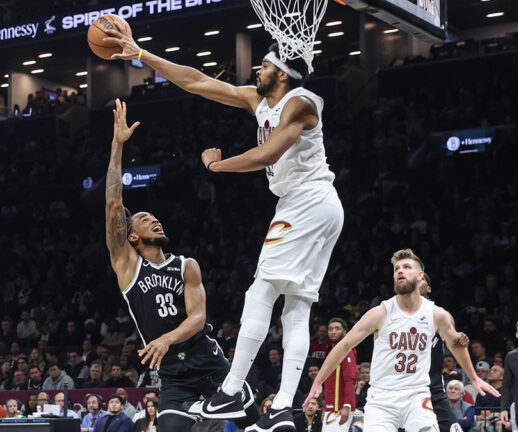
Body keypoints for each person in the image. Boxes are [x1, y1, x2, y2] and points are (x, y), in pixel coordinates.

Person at [105, 28, 344, 432]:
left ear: (283, 73)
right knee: (296, 308)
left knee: (261, 291)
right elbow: (197, 81)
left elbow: (267, 153)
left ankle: (232, 389)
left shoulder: (300, 103)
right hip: (316, 205)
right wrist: (142, 53)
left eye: (265, 65)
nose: (258, 69)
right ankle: (284, 405)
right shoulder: (258, 99)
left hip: (306, 200)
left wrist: (217, 166)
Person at [103, 100, 256, 431]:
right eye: (145, 219)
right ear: (130, 237)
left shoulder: (187, 265)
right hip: (173, 373)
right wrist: (118, 145)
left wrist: (166, 339)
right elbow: (114, 205)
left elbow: (198, 318)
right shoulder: (127, 268)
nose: (154, 220)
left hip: (209, 361)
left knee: (254, 423)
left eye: (155, 217)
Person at [304, 249, 498, 432]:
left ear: (421, 275)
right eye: (397, 269)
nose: (400, 271)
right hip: (381, 398)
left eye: (406, 267)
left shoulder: (437, 315)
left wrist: (473, 377)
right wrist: (318, 382)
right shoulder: (380, 313)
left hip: (417, 395)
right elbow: (345, 345)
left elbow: (455, 344)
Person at [420, 273, 469, 432]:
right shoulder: (394, 312)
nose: (416, 280)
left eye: (422, 279)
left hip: (434, 387)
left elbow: (454, 341)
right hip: (405, 388)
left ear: (429, 288)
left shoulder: (441, 314)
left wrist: (461, 339)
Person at [321, 318, 356, 432]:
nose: (333, 332)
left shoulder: (347, 351)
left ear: (345, 332)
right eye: (330, 329)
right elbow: (329, 385)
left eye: (337, 328)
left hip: (340, 408)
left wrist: (347, 406)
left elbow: (350, 380)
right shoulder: (329, 352)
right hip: (330, 407)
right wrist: (325, 408)